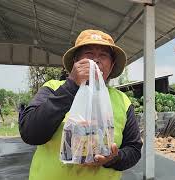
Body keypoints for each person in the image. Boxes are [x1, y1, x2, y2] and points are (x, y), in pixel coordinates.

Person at [19, 29, 143, 180]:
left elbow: (134, 149)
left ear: (111, 66)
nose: (96, 60)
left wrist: (113, 159)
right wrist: (71, 84)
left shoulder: (122, 101)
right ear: (75, 62)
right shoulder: (53, 88)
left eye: (103, 55)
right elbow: (30, 133)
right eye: (89, 54)